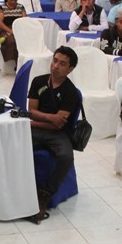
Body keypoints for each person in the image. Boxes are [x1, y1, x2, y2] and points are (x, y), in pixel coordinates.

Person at [27, 46, 80, 223]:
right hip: (36, 128)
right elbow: (31, 110)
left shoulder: (71, 92)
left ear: (70, 69)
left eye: (62, 63)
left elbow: (59, 125)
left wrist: (34, 121)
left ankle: (45, 194)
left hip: (57, 134)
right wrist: (48, 118)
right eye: (55, 60)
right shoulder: (38, 81)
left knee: (65, 157)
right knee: (13, 145)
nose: (56, 66)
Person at [0, 0, 24, 69]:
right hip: (5, 29)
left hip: (19, 29)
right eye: (11, 0)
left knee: (23, 41)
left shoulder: (21, 7)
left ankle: (21, 62)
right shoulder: (2, 7)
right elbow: (0, 22)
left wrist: (18, 30)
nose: (13, 2)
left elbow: (24, 20)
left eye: (15, 0)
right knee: (11, 41)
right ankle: (15, 62)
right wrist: (10, 31)